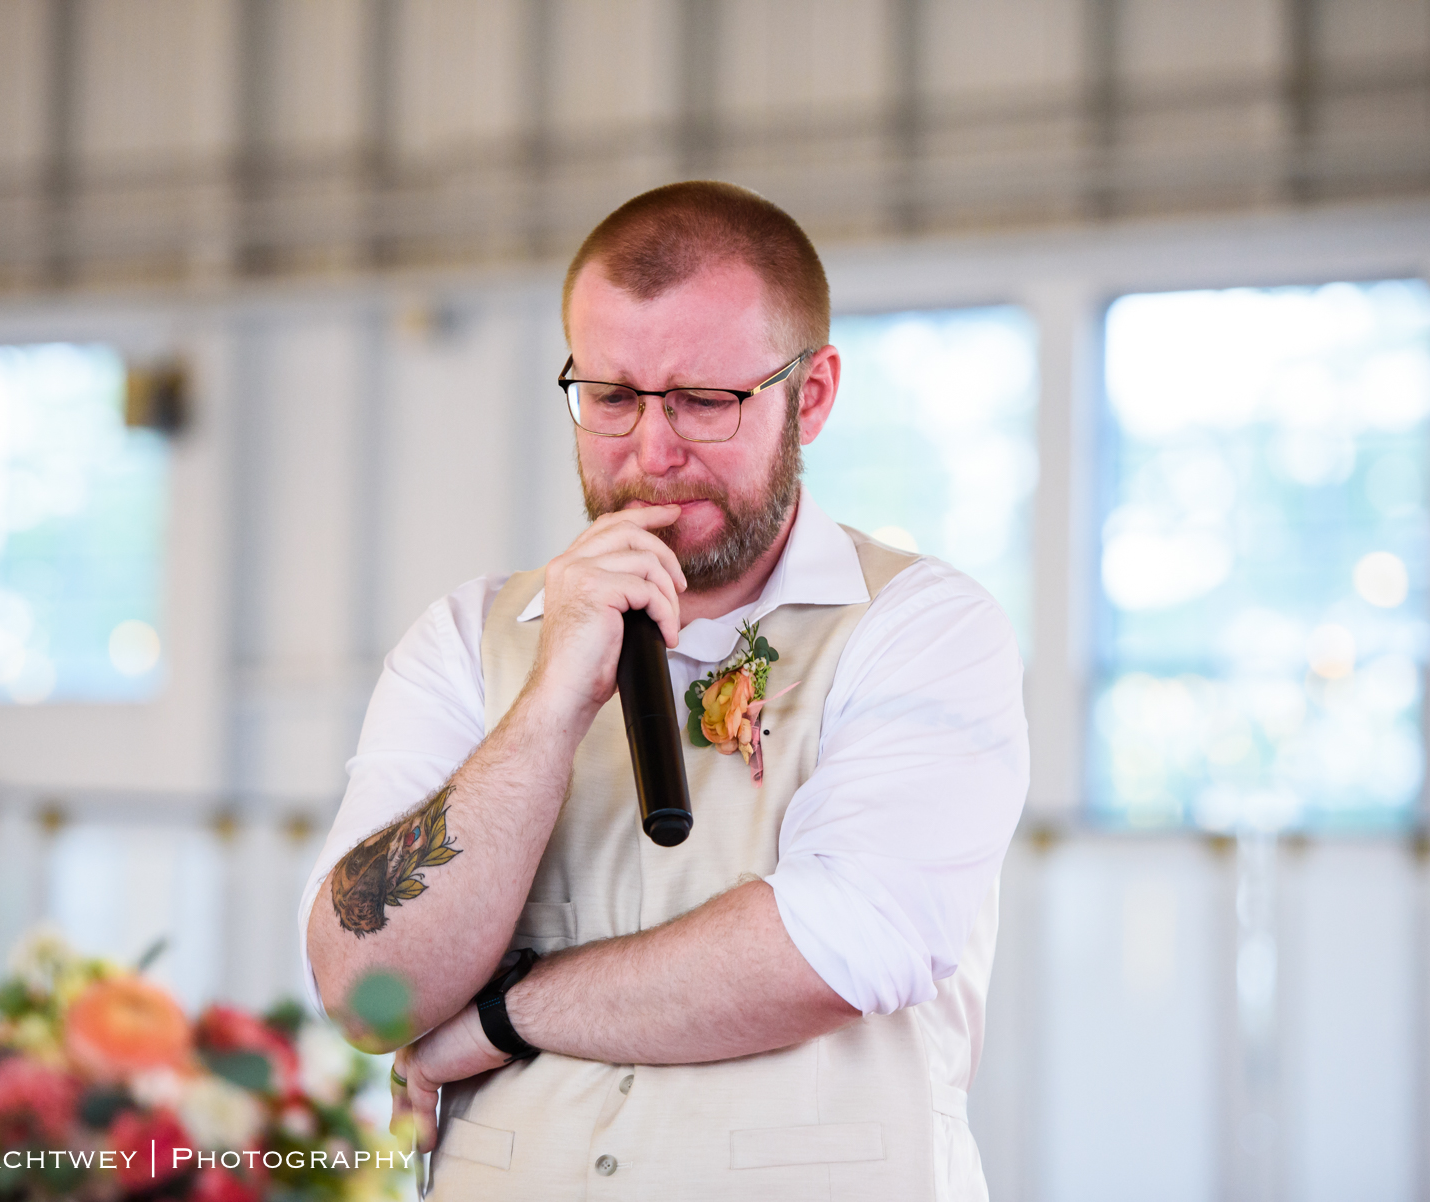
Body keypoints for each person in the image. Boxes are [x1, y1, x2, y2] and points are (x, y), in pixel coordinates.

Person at [299, 180, 1028, 1201]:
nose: (651, 452)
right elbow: (366, 988)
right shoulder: (466, 639)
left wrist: (500, 1017)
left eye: (704, 400)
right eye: (611, 397)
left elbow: (841, 942)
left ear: (809, 395)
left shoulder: (924, 628)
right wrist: (551, 698)